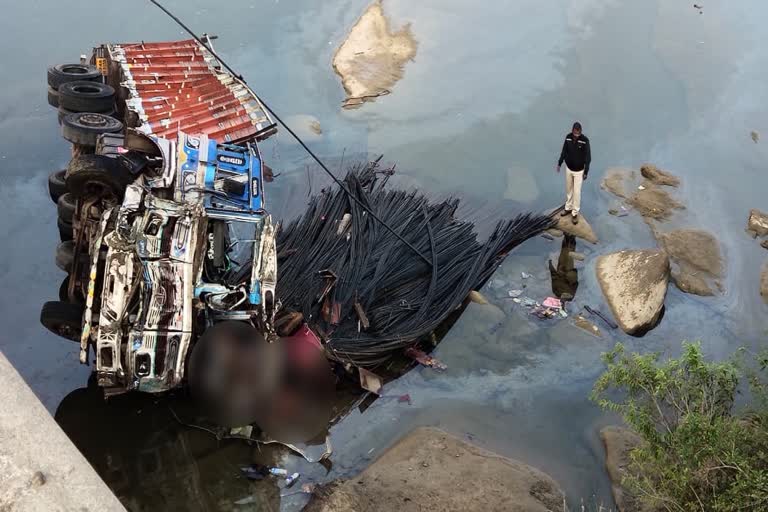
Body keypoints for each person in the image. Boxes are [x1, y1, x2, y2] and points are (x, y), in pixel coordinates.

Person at [556, 122, 591, 224]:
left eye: (578, 133)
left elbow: (588, 157)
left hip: (579, 171)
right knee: (569, 189)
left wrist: (586, 171)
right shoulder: (568, 138)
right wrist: (559, 163)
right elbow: (564, 151)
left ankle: (575, 213)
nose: (576, 135)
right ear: (572, 130)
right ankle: (568, 208)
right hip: (569, 169)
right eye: (575, 133)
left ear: (580, 131)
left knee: (577, 192)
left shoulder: (585, 141)